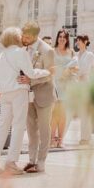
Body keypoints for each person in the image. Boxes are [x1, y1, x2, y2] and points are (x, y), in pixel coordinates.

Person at [0, 27, 50, 175]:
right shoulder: (20, 53)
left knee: (2, 126)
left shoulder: (2, 54)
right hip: (18, 91)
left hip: (4, 93)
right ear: (17, 38)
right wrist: (47, 72)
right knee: (18, 127)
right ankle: (11, 162)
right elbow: (31, 73)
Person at [21, 21, 56, 173]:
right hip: (28, 94)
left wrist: (31, 80)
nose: (24, 38)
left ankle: (41, 161)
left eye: (27, 36)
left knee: (43, 129)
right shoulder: (24, 48)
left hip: (44, 95)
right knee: (31, 129)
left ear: (35, 36)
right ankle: (31, 160)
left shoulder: (47, 50)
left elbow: (50, 74)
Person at [68, 34, 94, 145]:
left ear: (85, 42)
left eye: (80, 41)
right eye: (77, 41)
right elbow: (70, 69)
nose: (78, 43)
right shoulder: (75, 55)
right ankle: (83, 137)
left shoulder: (89, 55)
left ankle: (86, 138)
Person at [50, 29, 73, 148]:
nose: (62, 38)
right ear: (57, 38)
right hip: (54, 84)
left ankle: (60, 140)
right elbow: (49, 66)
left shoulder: (71, 52)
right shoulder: (52, 51)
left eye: (64, 37)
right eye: (60, 36)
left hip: (66, 85)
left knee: (63, 114)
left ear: (67, 39)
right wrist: (60, 69)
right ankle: (52, 139)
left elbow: (76, 68)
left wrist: (70, 70)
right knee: (54, 113)